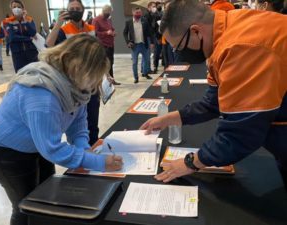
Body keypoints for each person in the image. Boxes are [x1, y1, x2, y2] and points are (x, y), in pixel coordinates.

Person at [141, 0, 287, 187]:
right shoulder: (229, 28)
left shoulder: (240, 46)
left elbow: (241, 133)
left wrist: (190, 162)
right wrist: (171, 118)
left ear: (195, 31)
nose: (179, 53)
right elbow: (213, 102)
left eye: (178, 46)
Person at [0, 33, 123, 225]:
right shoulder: (41, 94)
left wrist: (84, 148)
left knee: (47, 197)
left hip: (36, 144)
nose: (94, 85)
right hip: (5, 151)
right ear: (71, 62)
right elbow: (52, 149)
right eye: (92, 76)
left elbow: (78, 121)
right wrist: (98, 162)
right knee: (25, 206)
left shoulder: (76, 85)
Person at [46, 0, 100, 146]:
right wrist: (58, 24)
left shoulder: (91, 28)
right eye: (72, 9)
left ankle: (94, 147)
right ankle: (81, 152)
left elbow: (97, 53)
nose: (75, 10)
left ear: (83, 9)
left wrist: (104, 76)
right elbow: (48, 45)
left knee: (93, 118)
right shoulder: (64, 30)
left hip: (91, 79)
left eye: (78, 8)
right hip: (74, 82)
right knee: (78, 123)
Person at [5, 0, 38, 72]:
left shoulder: (29, 19)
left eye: (19, 7)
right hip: (18, 53)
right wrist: (28, 38)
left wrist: (25, 19)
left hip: (32, 51)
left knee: (35, 73)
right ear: (11, 9)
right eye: (14, 7)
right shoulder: (8, 21)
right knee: (21, 75)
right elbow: (12, 38)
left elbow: (33, 33)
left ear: (23, 9)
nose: (16, 8)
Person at [123, 7, 154, 83]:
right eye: (137, 13)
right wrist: (128, 42)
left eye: (140, 12)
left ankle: (145, 73)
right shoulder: (129, 22)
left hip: (144, 44)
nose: (139, 14)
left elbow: (149, 32)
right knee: (134, 62)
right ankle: (136, 77)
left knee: (147, 60)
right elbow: (124, 33)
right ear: (133, 13)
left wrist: (152, 42)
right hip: (135, 46)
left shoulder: (144, 21)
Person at [92, 5, 121, 85]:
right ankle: (103, 82)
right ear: (104, 11)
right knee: (104, 64)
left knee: (110, 63)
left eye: (110, 13)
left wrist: (113, 32)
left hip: (110, 44)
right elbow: (95, 33)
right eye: (108, 13)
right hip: (103, 45)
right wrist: (106, 33)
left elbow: (111, 28)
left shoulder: (108, 20)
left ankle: (111, 80)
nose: (109, 14)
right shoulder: (96, 20)